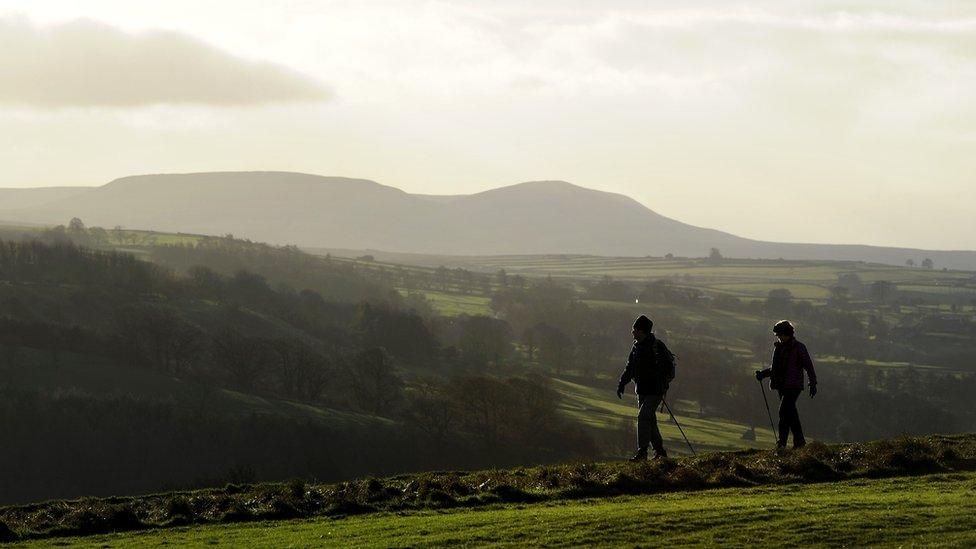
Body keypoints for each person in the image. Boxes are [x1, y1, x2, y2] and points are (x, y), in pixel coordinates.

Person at [616, 314, 675, 461]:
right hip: (641, 390)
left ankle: (642, 452)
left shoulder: (657, 346)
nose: (632, 331)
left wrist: (663, 383)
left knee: (643, 417)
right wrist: (622, 383)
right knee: (650, 420)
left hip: (655, 391)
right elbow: (630, 367)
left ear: (642, 331)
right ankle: (660, 452)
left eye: (634, 329)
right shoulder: (636, 346)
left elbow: (668, 368)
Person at [755, 320, 817, 448]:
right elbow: (775, 368)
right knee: (791, 414)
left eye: (779, 335)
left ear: (787, 334)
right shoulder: (778, 348)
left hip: (793, 386)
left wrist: (813, 383)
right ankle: (799, 442)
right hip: (781, 385)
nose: (778, 337)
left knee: (783, 411)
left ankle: (782, 442)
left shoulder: (799, 347)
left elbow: (808, 366)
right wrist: (763, 374)